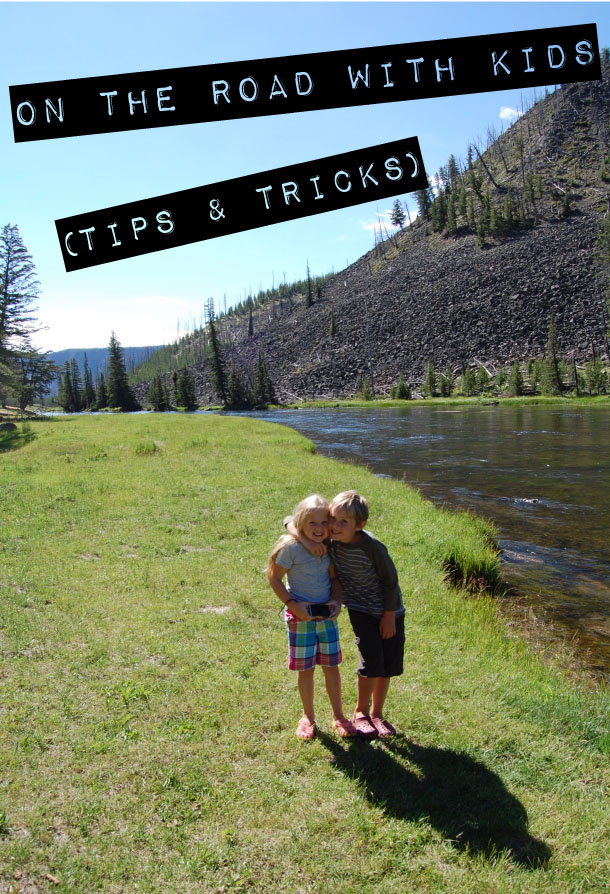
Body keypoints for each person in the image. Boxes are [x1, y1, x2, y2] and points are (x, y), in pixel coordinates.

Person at [288, 490, 404, 738]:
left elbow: (390, 582)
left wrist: (389, 615)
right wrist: (308, 542)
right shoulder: (329, 540)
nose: (335, 526)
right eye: (333, 519)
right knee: (371, 661)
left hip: (389, 611)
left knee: (386, 665)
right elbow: (289, 520)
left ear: (360, 525)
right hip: (360, 610)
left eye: (344, 521)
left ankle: (377, 714)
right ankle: (360, 712)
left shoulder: (373, 547)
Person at [267, 494, 357, 740]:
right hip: (300, 619)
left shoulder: (329, 548)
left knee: (332, 668)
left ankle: (339, 716)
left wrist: (336, 600)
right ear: (301, 523)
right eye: (312, 523)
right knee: (305, 670)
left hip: (327, 619)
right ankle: (308, 717)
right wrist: (292, 605)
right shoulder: (291, 548)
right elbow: (274, 578)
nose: (318, 528)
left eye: (323, 522)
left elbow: (334, 579)